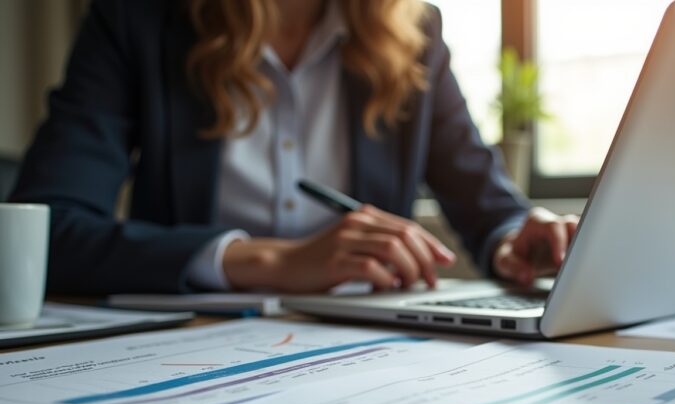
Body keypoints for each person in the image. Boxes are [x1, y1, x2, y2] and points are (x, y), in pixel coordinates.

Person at [11, 0, 578, 295]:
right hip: (185, 350)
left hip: (369, 355)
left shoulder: (415, 33)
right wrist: (272, 261)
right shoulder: (136, 20)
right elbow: (47, 233)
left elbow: (488, 206)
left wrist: (516, 239)